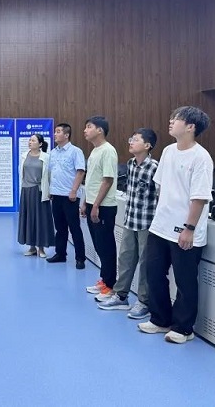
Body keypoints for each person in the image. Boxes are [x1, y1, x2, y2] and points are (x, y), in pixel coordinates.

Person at [138, 106, 213, 344]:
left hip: (185, 230)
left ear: (190, 127)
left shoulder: (201, 157)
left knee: (185, 280)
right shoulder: (168, 151)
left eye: (176, 119)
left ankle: (184, 328)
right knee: (153, 273)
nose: (171, 121)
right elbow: (161, 186)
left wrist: (189, 229)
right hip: (160, 226)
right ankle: (160, 319)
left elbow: (199, 198)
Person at [97, 129, 159, 319]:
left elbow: (160, 196)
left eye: (136, 139)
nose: (131, 142)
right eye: (131, 138)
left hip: (146, 223)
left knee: (145, 263)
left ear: (147, 145)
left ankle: (143, 301)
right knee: (125, 258)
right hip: (130, 220)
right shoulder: (131, 164)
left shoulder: (154, 167)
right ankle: (121, 296)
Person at [81, 116, 119, 299]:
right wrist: (85, 202)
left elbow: (107, 180)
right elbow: (91, 180)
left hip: (103, 206)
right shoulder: (95, 151)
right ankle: (104, 279)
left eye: (89, 127)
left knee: (106, 246)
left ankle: (110, 285)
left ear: (100, 130)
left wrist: (96, 205)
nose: (85, 130)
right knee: (98, 245)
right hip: (92, 203)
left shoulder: (108, 151)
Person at [45, 123, 87, 269]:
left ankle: (80, 258)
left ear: (66, 135)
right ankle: (60, 254)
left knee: (74, 228)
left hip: (70, 196)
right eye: (55, 132)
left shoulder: (75, 151)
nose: (55, 134)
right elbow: (51, 172)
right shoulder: (53, 152)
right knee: (60, 227)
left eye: (58, 132)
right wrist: (50, 190)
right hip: (56, 194)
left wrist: (74, 191)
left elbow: (80, 172)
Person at [17, 134, 54, 258]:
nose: (30, 142)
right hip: (26, 190)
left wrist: (49, 190)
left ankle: (41, 248)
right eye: (29, 140)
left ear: (40, 144)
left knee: (40, 219)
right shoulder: (24, 155)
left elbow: (49, 175)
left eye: (33, 140)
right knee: (28, 218)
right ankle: (32, 247)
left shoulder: (46, 157)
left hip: (39, 191)